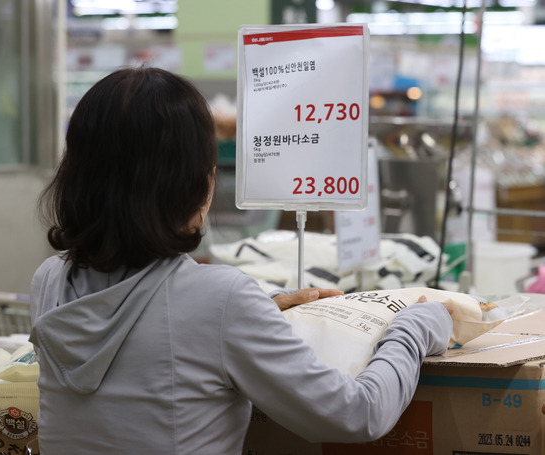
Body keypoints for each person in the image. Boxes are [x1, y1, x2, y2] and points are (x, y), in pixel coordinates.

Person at [29, 66, 453, 454]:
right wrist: (412, 330)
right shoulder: (221, 298)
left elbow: (147, 344)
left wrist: (255, 312)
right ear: (198, 183)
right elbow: (357, 414)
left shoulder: (49, 280)